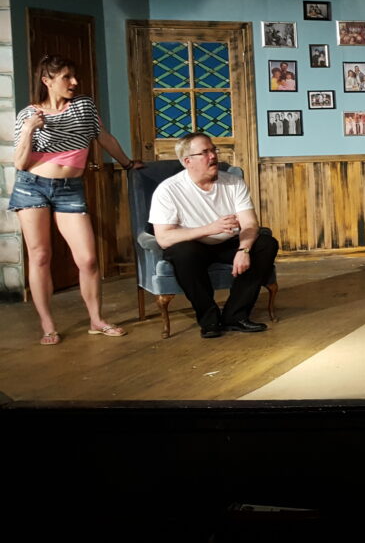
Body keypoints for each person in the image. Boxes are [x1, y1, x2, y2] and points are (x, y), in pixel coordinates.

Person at [11, 55, 144, 345]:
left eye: (74, 76)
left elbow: (104, 137)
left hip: (70, 188)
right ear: (47, 81)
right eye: (66, 77)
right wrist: (30, 128)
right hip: (32, 187)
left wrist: (126, 163)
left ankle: (96, 320)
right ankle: (48, 325)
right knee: (40, 256)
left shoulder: (84, 106)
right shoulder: (28, 114)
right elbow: (19, 163)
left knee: (88, 258)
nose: (74, 82)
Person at [148, 132, 280, 338]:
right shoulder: (168, 190)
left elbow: (250, 224)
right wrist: (210, 228)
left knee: (266, 244)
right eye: (205, 152)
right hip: (194, 245)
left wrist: (244, 250)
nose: (213, 156)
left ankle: (235, 316)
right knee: (182, 252)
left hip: (230, 241)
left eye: (213, 150)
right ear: (188, 161)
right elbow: (164, 238)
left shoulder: (234, 183)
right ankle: (209, 320)